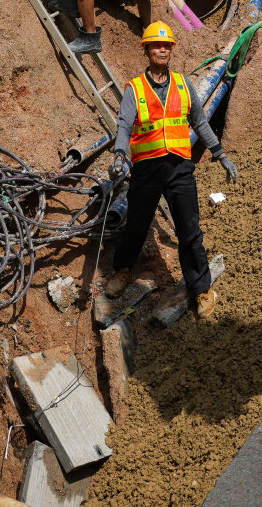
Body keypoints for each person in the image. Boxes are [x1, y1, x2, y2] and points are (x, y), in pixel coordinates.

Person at [103, 21, 237, 319]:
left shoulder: (183, 84)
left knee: (190, 231)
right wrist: (119, 156)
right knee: (137, 225)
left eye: (166, 46)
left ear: (171, 50)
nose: (162, 49)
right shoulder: (134, 89)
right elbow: (124, 126)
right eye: (156, 45)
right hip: (147, 171)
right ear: (147, 50)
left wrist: (221, 153)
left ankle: (201, 288)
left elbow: (200, 123)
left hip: (179, 169)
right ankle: (123, 271)